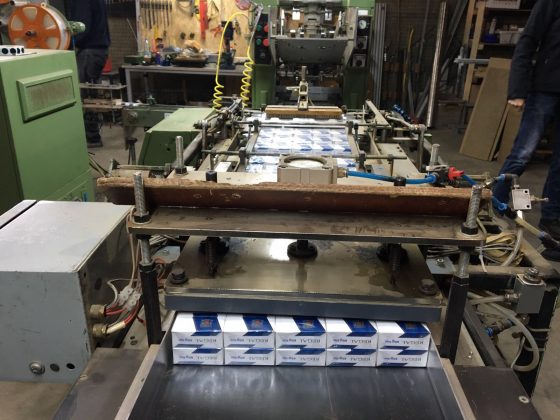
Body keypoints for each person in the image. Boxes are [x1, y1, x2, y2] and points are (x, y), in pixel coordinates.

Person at [493, 0, 560, 238]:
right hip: (545, 88)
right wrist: (518, 90)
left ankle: (551, 217)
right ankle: (494, 205)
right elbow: (528, 40)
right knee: (522, 154)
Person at [71, 0, 111, 148]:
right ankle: (92, 135)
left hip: (90, 51)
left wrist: (67, 42)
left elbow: (82, 27)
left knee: (85, 96)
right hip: (97, 51)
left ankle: (92, 138)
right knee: (91, 94)